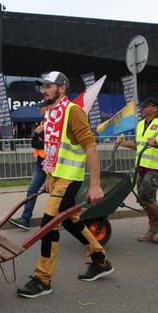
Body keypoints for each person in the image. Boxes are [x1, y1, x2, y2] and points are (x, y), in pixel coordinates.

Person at [17, 71, 112, 299]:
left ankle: (42, 278)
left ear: (62, 88)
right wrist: (50, 179)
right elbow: (52, 150)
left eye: (48, 86)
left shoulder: (73, 112)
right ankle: (100, 260)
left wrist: (95, 184)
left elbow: (90, 147)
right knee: (70, 222)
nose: (43, 90)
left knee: (49, 224)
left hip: (70, 178)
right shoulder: (51, 113)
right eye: (43, 87)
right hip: (58, 178)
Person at [116, 97, 158, 242]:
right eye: (141, 107)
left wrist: (157, 144)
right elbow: (139, 145)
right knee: (143, 198)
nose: (141, 109)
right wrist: (123, 143)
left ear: (154, 108)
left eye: (144, 106)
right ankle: (153, 227)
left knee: (146, 196)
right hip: (142, 166)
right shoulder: (140, 124)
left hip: (157, 167)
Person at [9, 105, 47, 231]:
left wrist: (39, 136)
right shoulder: (42, 123)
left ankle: (66, 219)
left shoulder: (55, 124)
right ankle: (25, 219)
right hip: (41, 163)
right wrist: (37, 134)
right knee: (32, 190)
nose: (39, 111)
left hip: (51, 163)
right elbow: (34, 144)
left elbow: (50, 144)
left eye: (41, 109)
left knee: (59, 193)